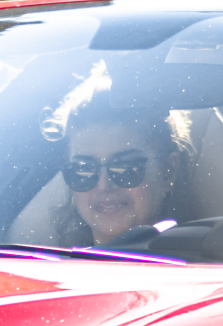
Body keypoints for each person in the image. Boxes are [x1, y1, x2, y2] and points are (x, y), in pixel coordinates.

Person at [48, 95, 199, 247]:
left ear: (168, 171)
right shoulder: (47, 266)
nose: (103, 186)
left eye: (124, 167)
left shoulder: (200, 267)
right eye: (84, 170)